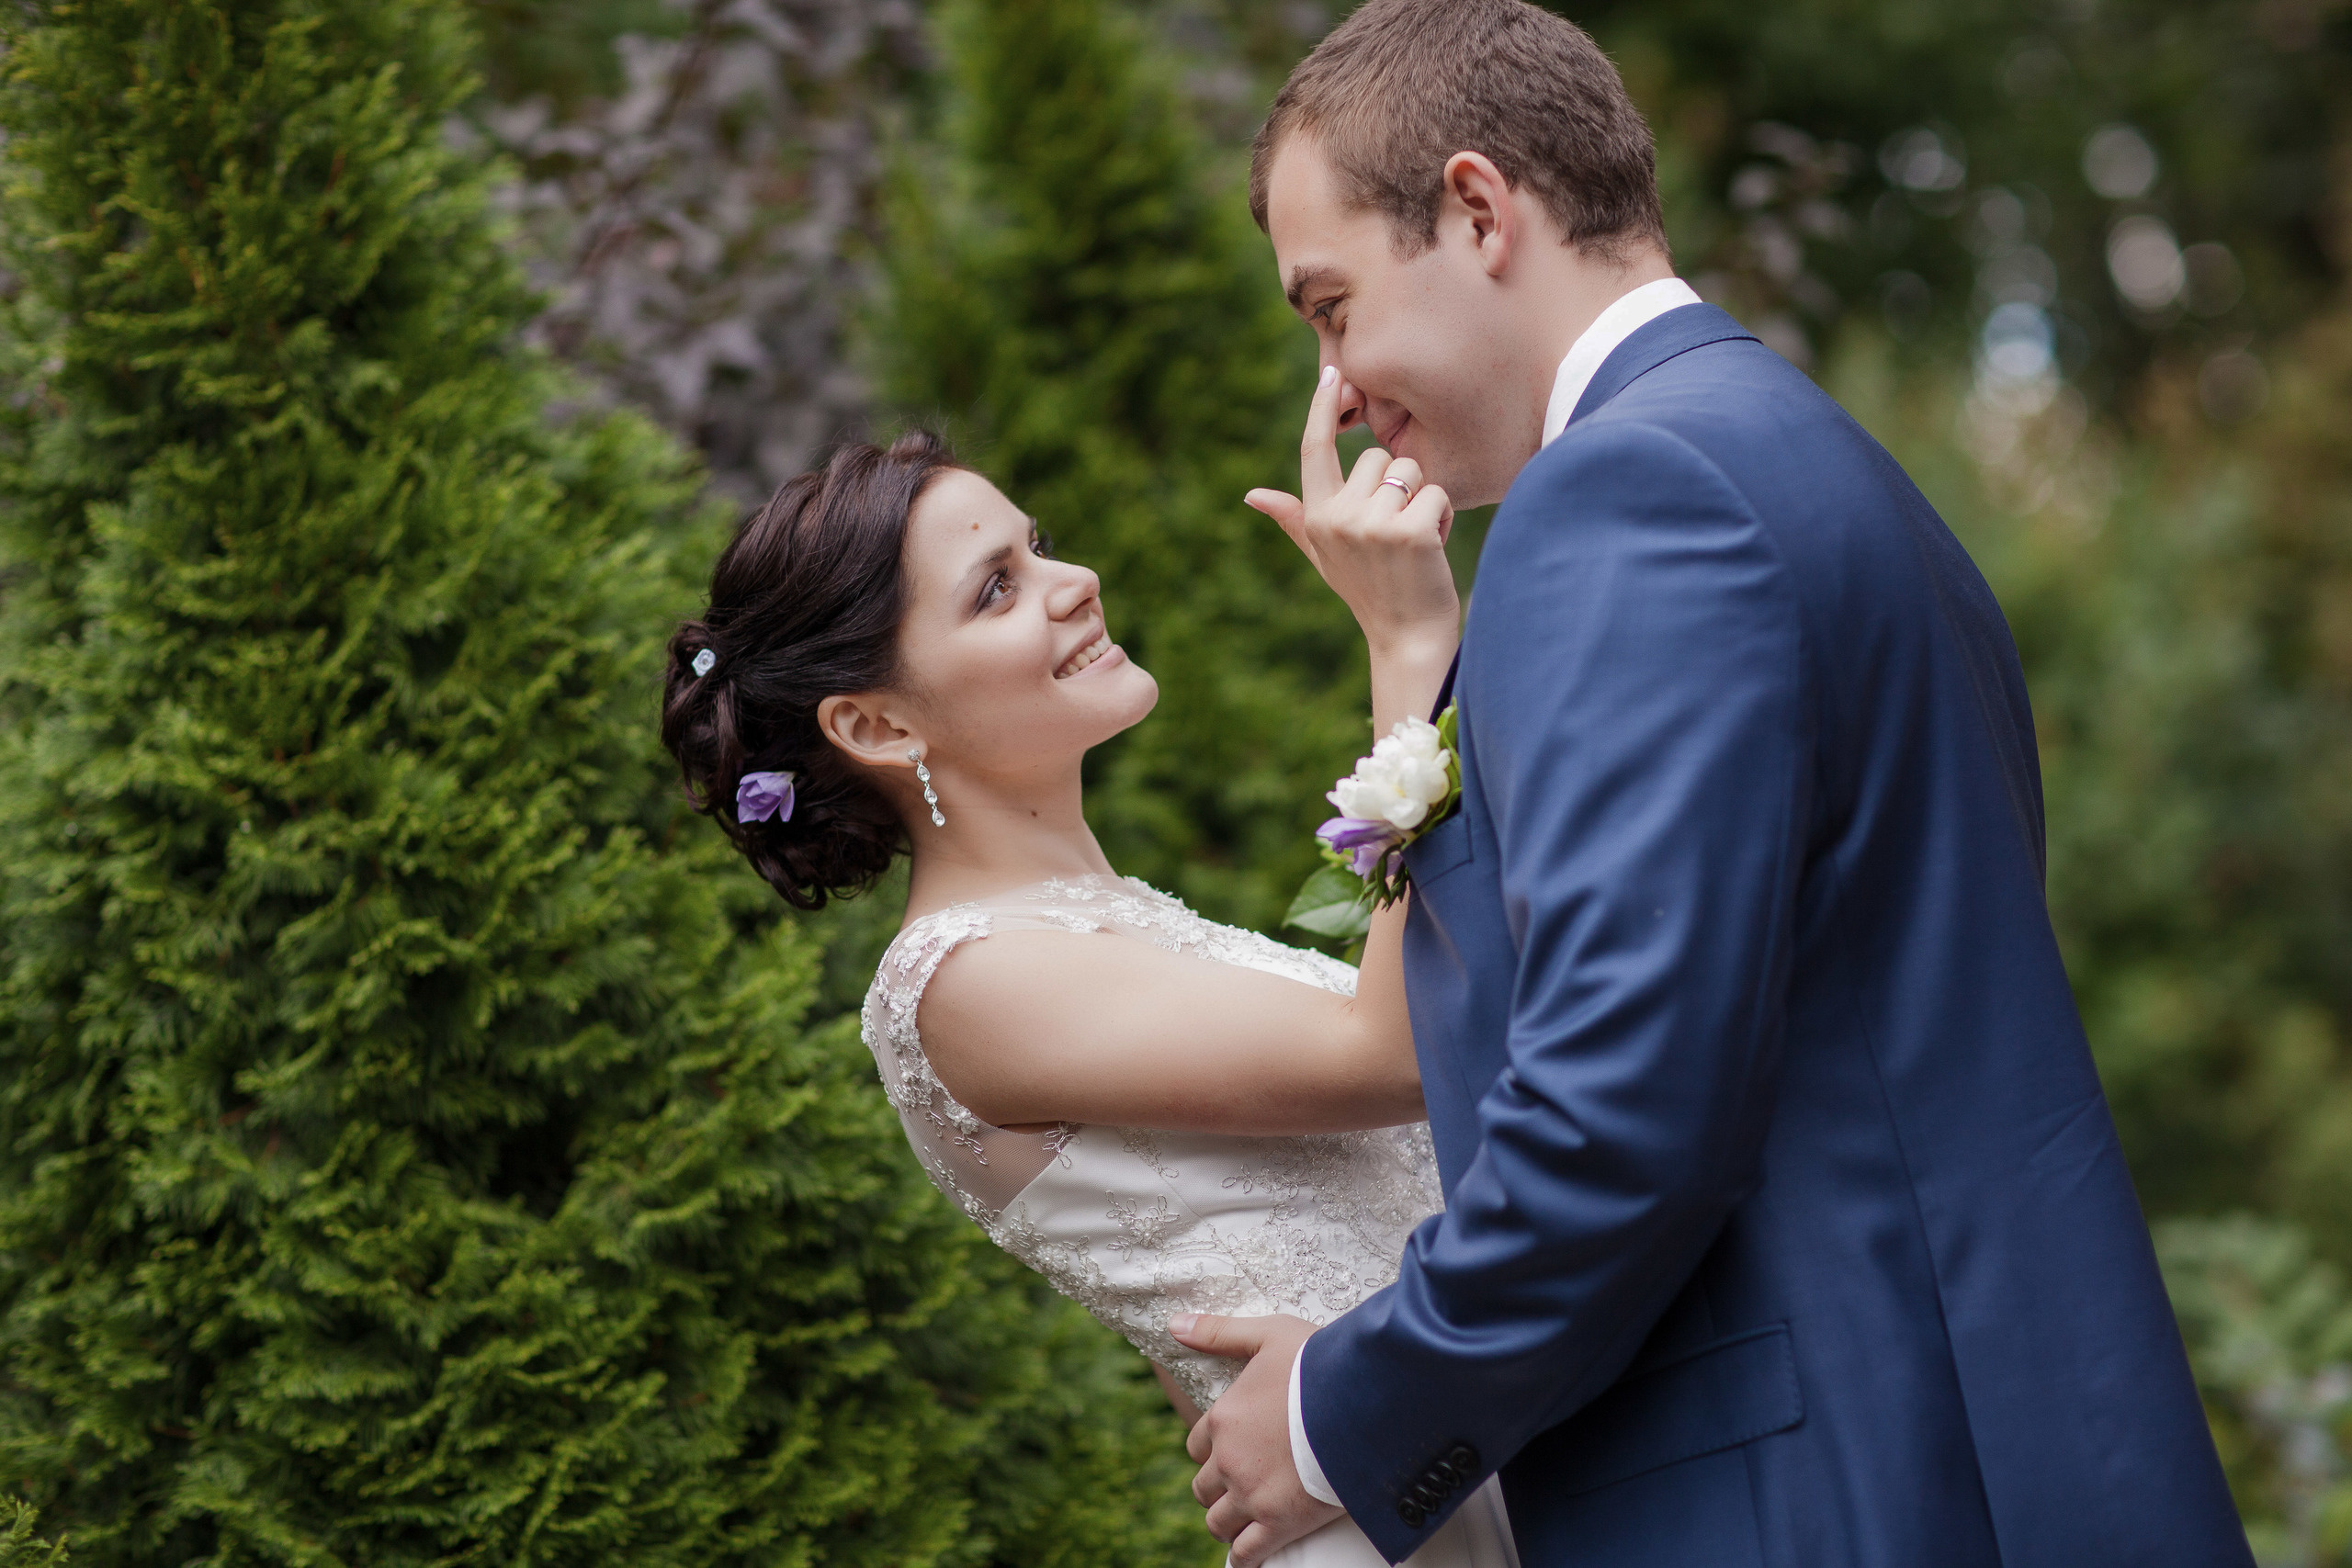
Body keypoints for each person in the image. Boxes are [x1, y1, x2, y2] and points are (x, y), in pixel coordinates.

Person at [1168, 3, 2252, 1567]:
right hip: (1975, 1444)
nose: (1334, 387)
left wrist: (1345, 1408)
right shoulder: (1817, 465)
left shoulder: (1628, 496)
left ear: (1478, 211)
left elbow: (1623, 1101)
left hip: (1826, 1493)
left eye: (1332, 308)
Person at [658, 430, 1515, 1568]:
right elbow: (1393, 1058)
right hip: (1389, 1512)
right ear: (877, 724)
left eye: (1040, 547)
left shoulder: (1115, 921)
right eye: (997, 589)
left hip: (1425, 1443)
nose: (1075, 584)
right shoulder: (960, 983)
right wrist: (1407, 643)